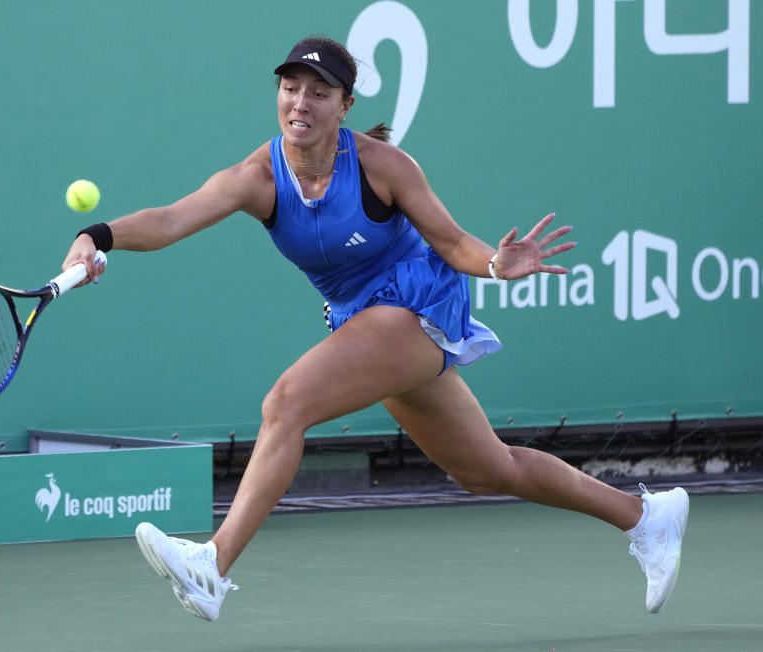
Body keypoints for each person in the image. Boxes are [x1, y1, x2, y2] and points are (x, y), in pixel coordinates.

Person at [62, 37, 689, 622]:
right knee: (487, 470)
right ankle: (646, 517)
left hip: (417, 302)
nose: (300, 102)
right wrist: (97, 237)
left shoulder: (383, 166)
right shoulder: (259, 176)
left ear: (344, 106)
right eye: (290, 87)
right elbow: (172, 220)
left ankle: (213, 565)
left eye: (318, 91)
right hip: (364, 320)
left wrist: (497, 265)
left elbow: (452, 241)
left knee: (286, 403)